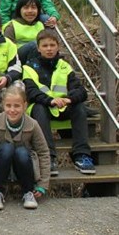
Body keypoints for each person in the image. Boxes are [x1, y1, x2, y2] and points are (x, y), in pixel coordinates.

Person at [23, 30, 95, 175]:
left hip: (62, 107)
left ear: (58, 46)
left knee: (79, 107)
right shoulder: (29, 67)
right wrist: (50, 101)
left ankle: (82, 155)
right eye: (45, 46)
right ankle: (49, 157)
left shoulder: (65, 66)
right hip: (43, 107)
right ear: (38, 48)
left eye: (52, 45)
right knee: (38, 108)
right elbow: (31, 92)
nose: (49, 49)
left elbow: (81, 91)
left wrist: (69, 99)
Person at [0, 84, 50, 211]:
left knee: (22, 152)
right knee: (7, 148)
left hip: (23, 166)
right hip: (1, 165)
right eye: (8, 105)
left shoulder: (33, 124)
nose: (12, 110)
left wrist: (42, 184)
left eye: (17, 106)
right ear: (3, 105)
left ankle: (28, 192)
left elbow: (43, 153)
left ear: (24, 106)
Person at [3, 0, 45, 64]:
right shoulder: (11, 26)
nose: (30, 11)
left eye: (33, 8)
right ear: (19, 10)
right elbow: (7, 49)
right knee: (34, 45)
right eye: (26, 8)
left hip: (38, 55)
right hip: (17, 57)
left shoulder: (40, 25)